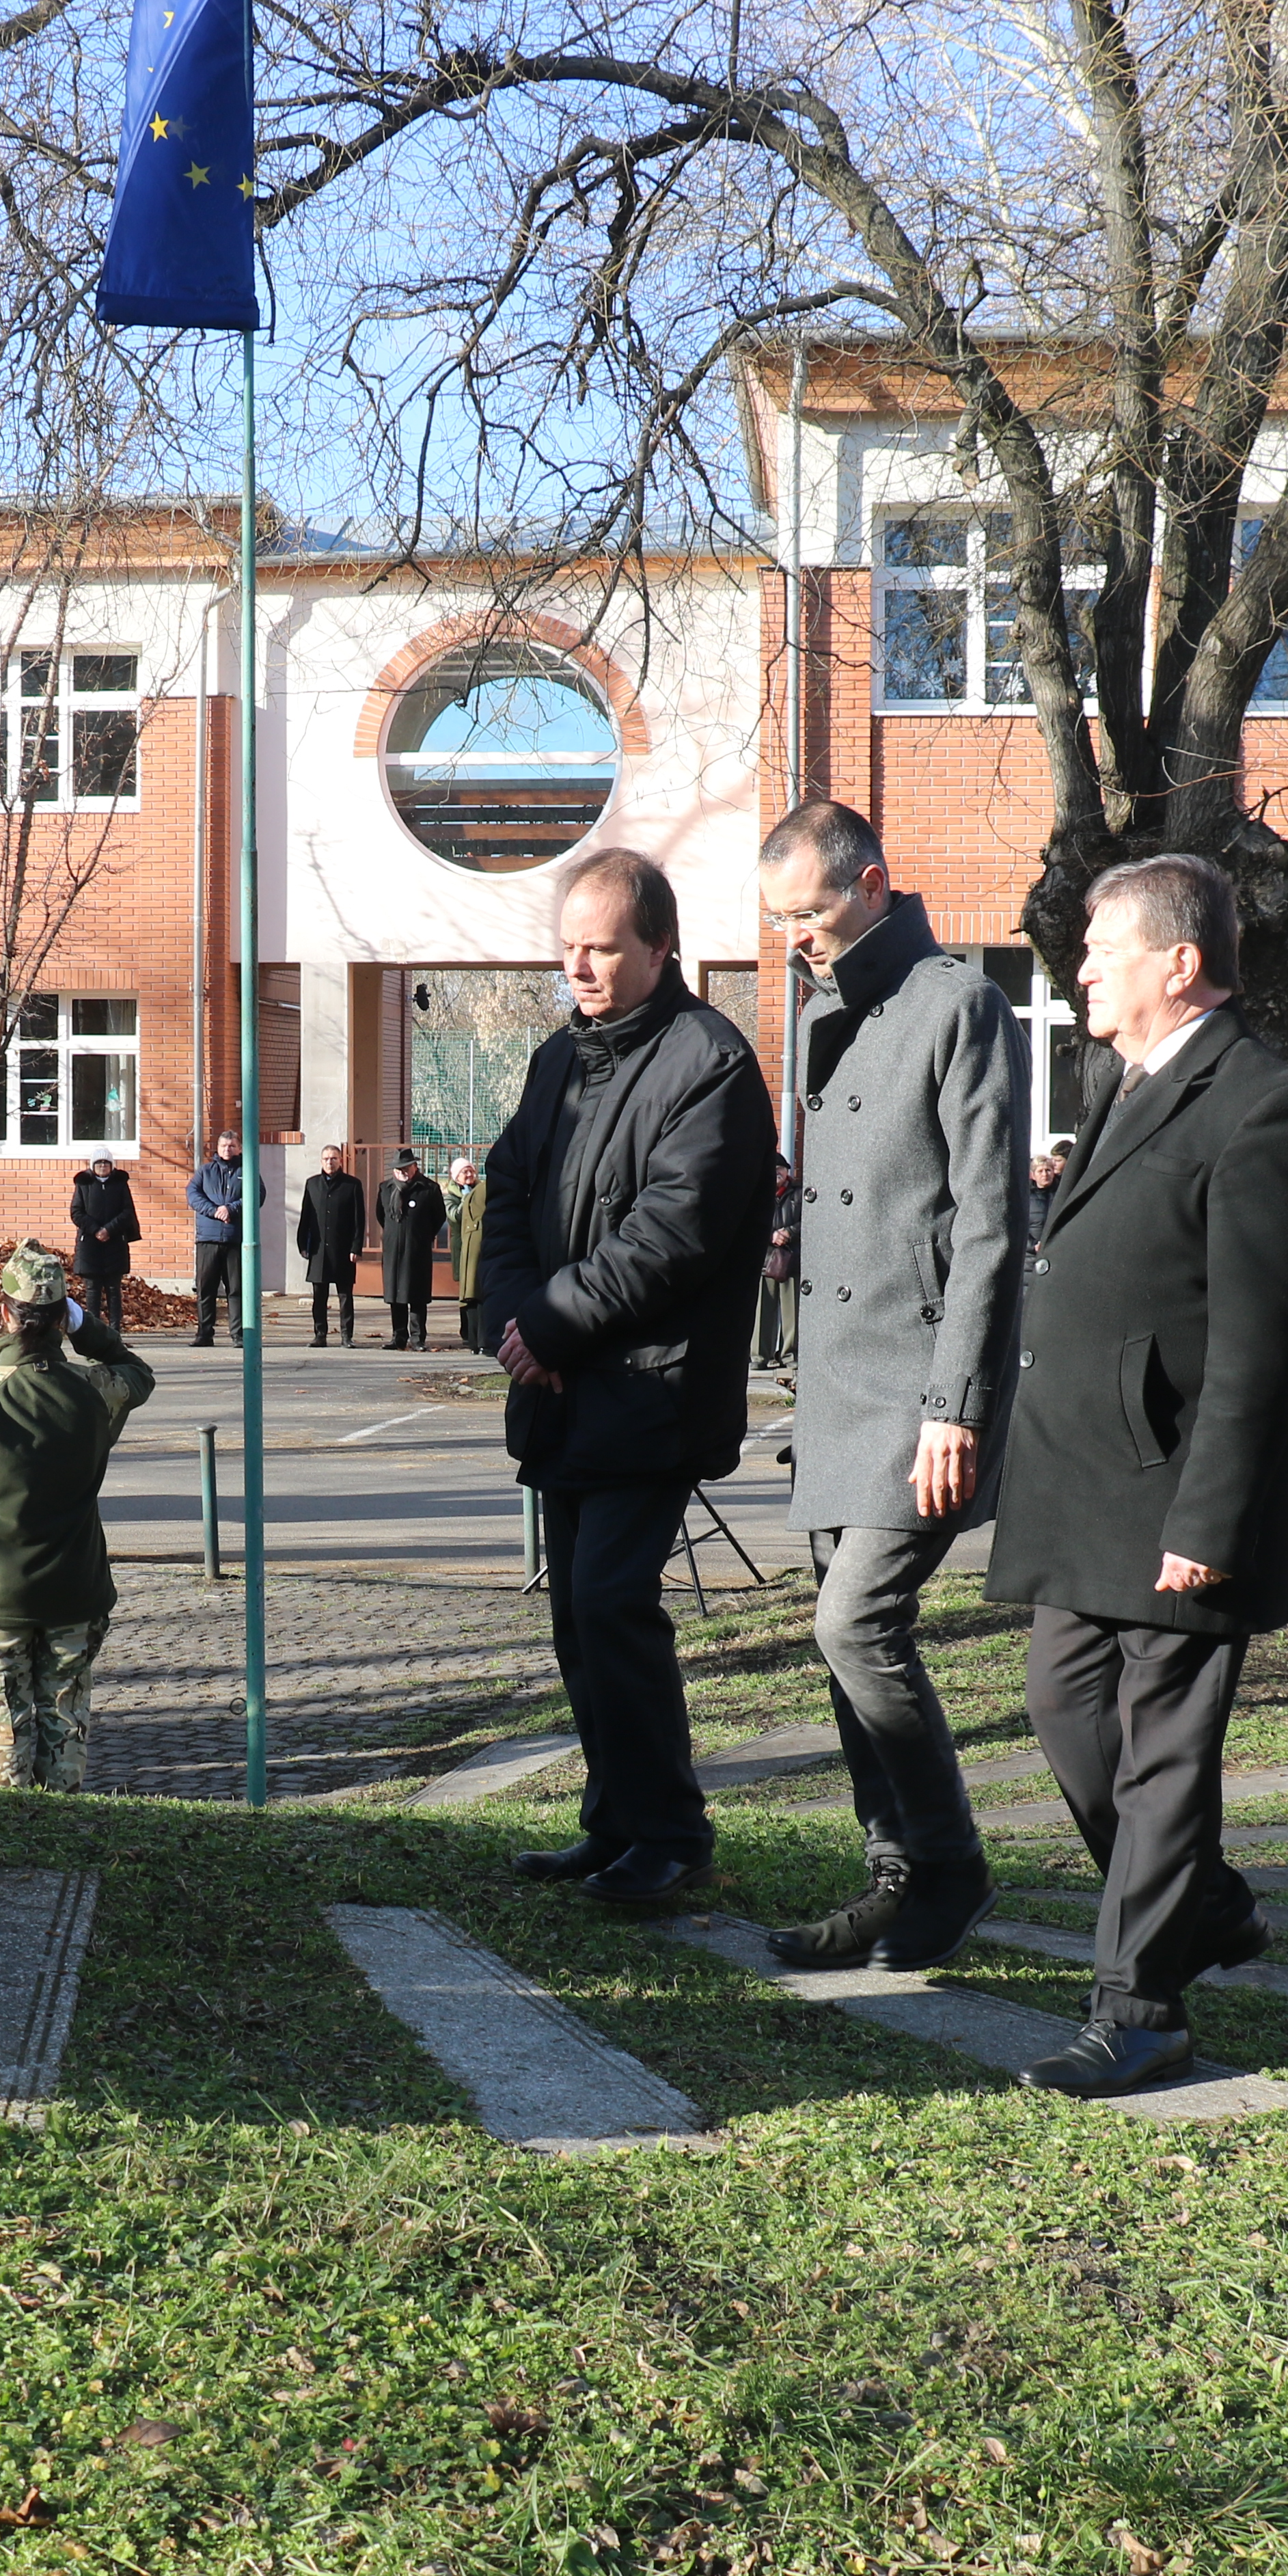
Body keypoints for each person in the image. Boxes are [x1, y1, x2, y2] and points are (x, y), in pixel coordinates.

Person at [987, 852, 1288, 2098]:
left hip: (1175, 1494)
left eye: (1102, 950)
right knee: (1065, 1714)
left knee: (1163, 1754)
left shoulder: (1263, 1108)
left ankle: (1142, 2011)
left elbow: (1256, 1347)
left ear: (1178, 965)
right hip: (1084, 1486)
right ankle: (1203, 1903)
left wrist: (1213, 1517)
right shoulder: (1124, 1081)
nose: (1080, 969)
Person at [748, 798, 1027, 1973]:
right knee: (840, 1642)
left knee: (855, 1624)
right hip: (837, 1390)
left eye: (809, 915)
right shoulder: (824, 1003)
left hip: (919, 1390)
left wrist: (955, 1405)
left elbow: (990, 1227)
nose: (795, 941)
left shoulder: (959, 1004)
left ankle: (951, 1866)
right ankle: (893, 1875)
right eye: (780, 923)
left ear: (871, 885)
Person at [484, 849, 773, 1909]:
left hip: (655, 1394)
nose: (582, 969)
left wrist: (550, 1329)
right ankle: (613, 1825)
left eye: (603, 948)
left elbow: (671, 1236)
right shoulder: (561, 1058)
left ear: (661, 946)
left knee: (612, 1600)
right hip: (563, 1385)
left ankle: (670, 1833)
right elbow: (509, 1188)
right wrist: (516, 1324)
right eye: (568, 949)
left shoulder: (711, 1063)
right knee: (577, 1614)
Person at [0, 1244, 158, 1791]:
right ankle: (63, 1839)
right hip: (77, 1588)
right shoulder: (95, 1390)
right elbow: (136, 1371)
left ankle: (5, 1851)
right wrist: (87, 1327)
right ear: (59, 1319)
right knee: (66, 1726)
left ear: (5, 1313)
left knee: (4, 1737)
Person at [373, 1148, 447, 1349]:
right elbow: (382, 1216)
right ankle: (398, 1337)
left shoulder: (429, 1188)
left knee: (417, 1294)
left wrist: (423, 1235)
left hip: (417, 1249)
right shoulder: (386, 1188)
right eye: (398, 1169)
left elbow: (439, 1217)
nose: (402, 1172)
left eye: (406, 1168)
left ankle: (417, 1338)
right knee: (395, 1294)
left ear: (415, 1167)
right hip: (393, 1249)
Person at [295, 1142, 367, 1346]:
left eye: (334, 1158)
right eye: (326, 1159)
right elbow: (306, 1216)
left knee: (345, 1296)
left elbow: (359, 1220)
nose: (330, 1162)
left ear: (341, 1161)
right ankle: (320, 1335)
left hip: (343, 1250)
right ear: (321, 1161)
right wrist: (303, 1244)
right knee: (320, 1296)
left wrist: (356, 1247)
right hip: (319, 1250)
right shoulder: (312, 1184)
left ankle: (347, 1336)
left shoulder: (352, 1185)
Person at [188, 1130, 250, 1346]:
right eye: (224, 1146)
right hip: (208, 1239)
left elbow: (257, 1195)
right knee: (206, 1289)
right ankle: (205, 1334)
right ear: (217, 1147)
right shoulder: (205, 1172)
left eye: (232, 1146)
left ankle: (238, 1334)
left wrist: (231, 1209)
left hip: (235, 1240)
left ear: (239, 1148)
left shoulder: (248, 1171)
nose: (228, 1150)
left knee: (236, 1289)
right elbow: (193, 1195)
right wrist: (215, 1211)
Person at [67, 1152, 141, 1325]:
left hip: (115, 1244)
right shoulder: (83, 1184)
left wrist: (109, 1230)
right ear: (92, 1166)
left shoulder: (120, 1184)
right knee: (92, 1290)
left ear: (112, 1166)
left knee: (114, 1290)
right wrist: (95, 1230)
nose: (102, 1166)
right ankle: (95, 1329)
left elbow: (128, 1212)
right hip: (90, 1246)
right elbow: (76, 1212)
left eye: (106, 1163)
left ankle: (115, 1332)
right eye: (99, 1163)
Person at [757, 1154, 802, 1371]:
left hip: (791, 1259)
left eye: (781, 1169)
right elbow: (749, 1223)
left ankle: (789, 1355)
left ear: (787, 1172)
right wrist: (771, 1235)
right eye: (772, 1169)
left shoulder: (800, 1193)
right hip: (765, 1260)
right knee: (762, 1312)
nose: (777, 1173)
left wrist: (789, 1233)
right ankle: (759, 1356)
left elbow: (811, 1220)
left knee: (791, 1311)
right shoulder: (756, 1194)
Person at [448, 1152, 485, 1349]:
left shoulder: (482, 1190)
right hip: (462, 1246)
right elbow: (454, 1217)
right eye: (464, 1172)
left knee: (476, 1287)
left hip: (480, 1245)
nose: (469, 1175)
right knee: (465, 1287)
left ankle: (477, 1333)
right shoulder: (451, 1195)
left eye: (471, 1170)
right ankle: (466, 1331)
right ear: (456, 1177)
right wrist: (466, 1199)